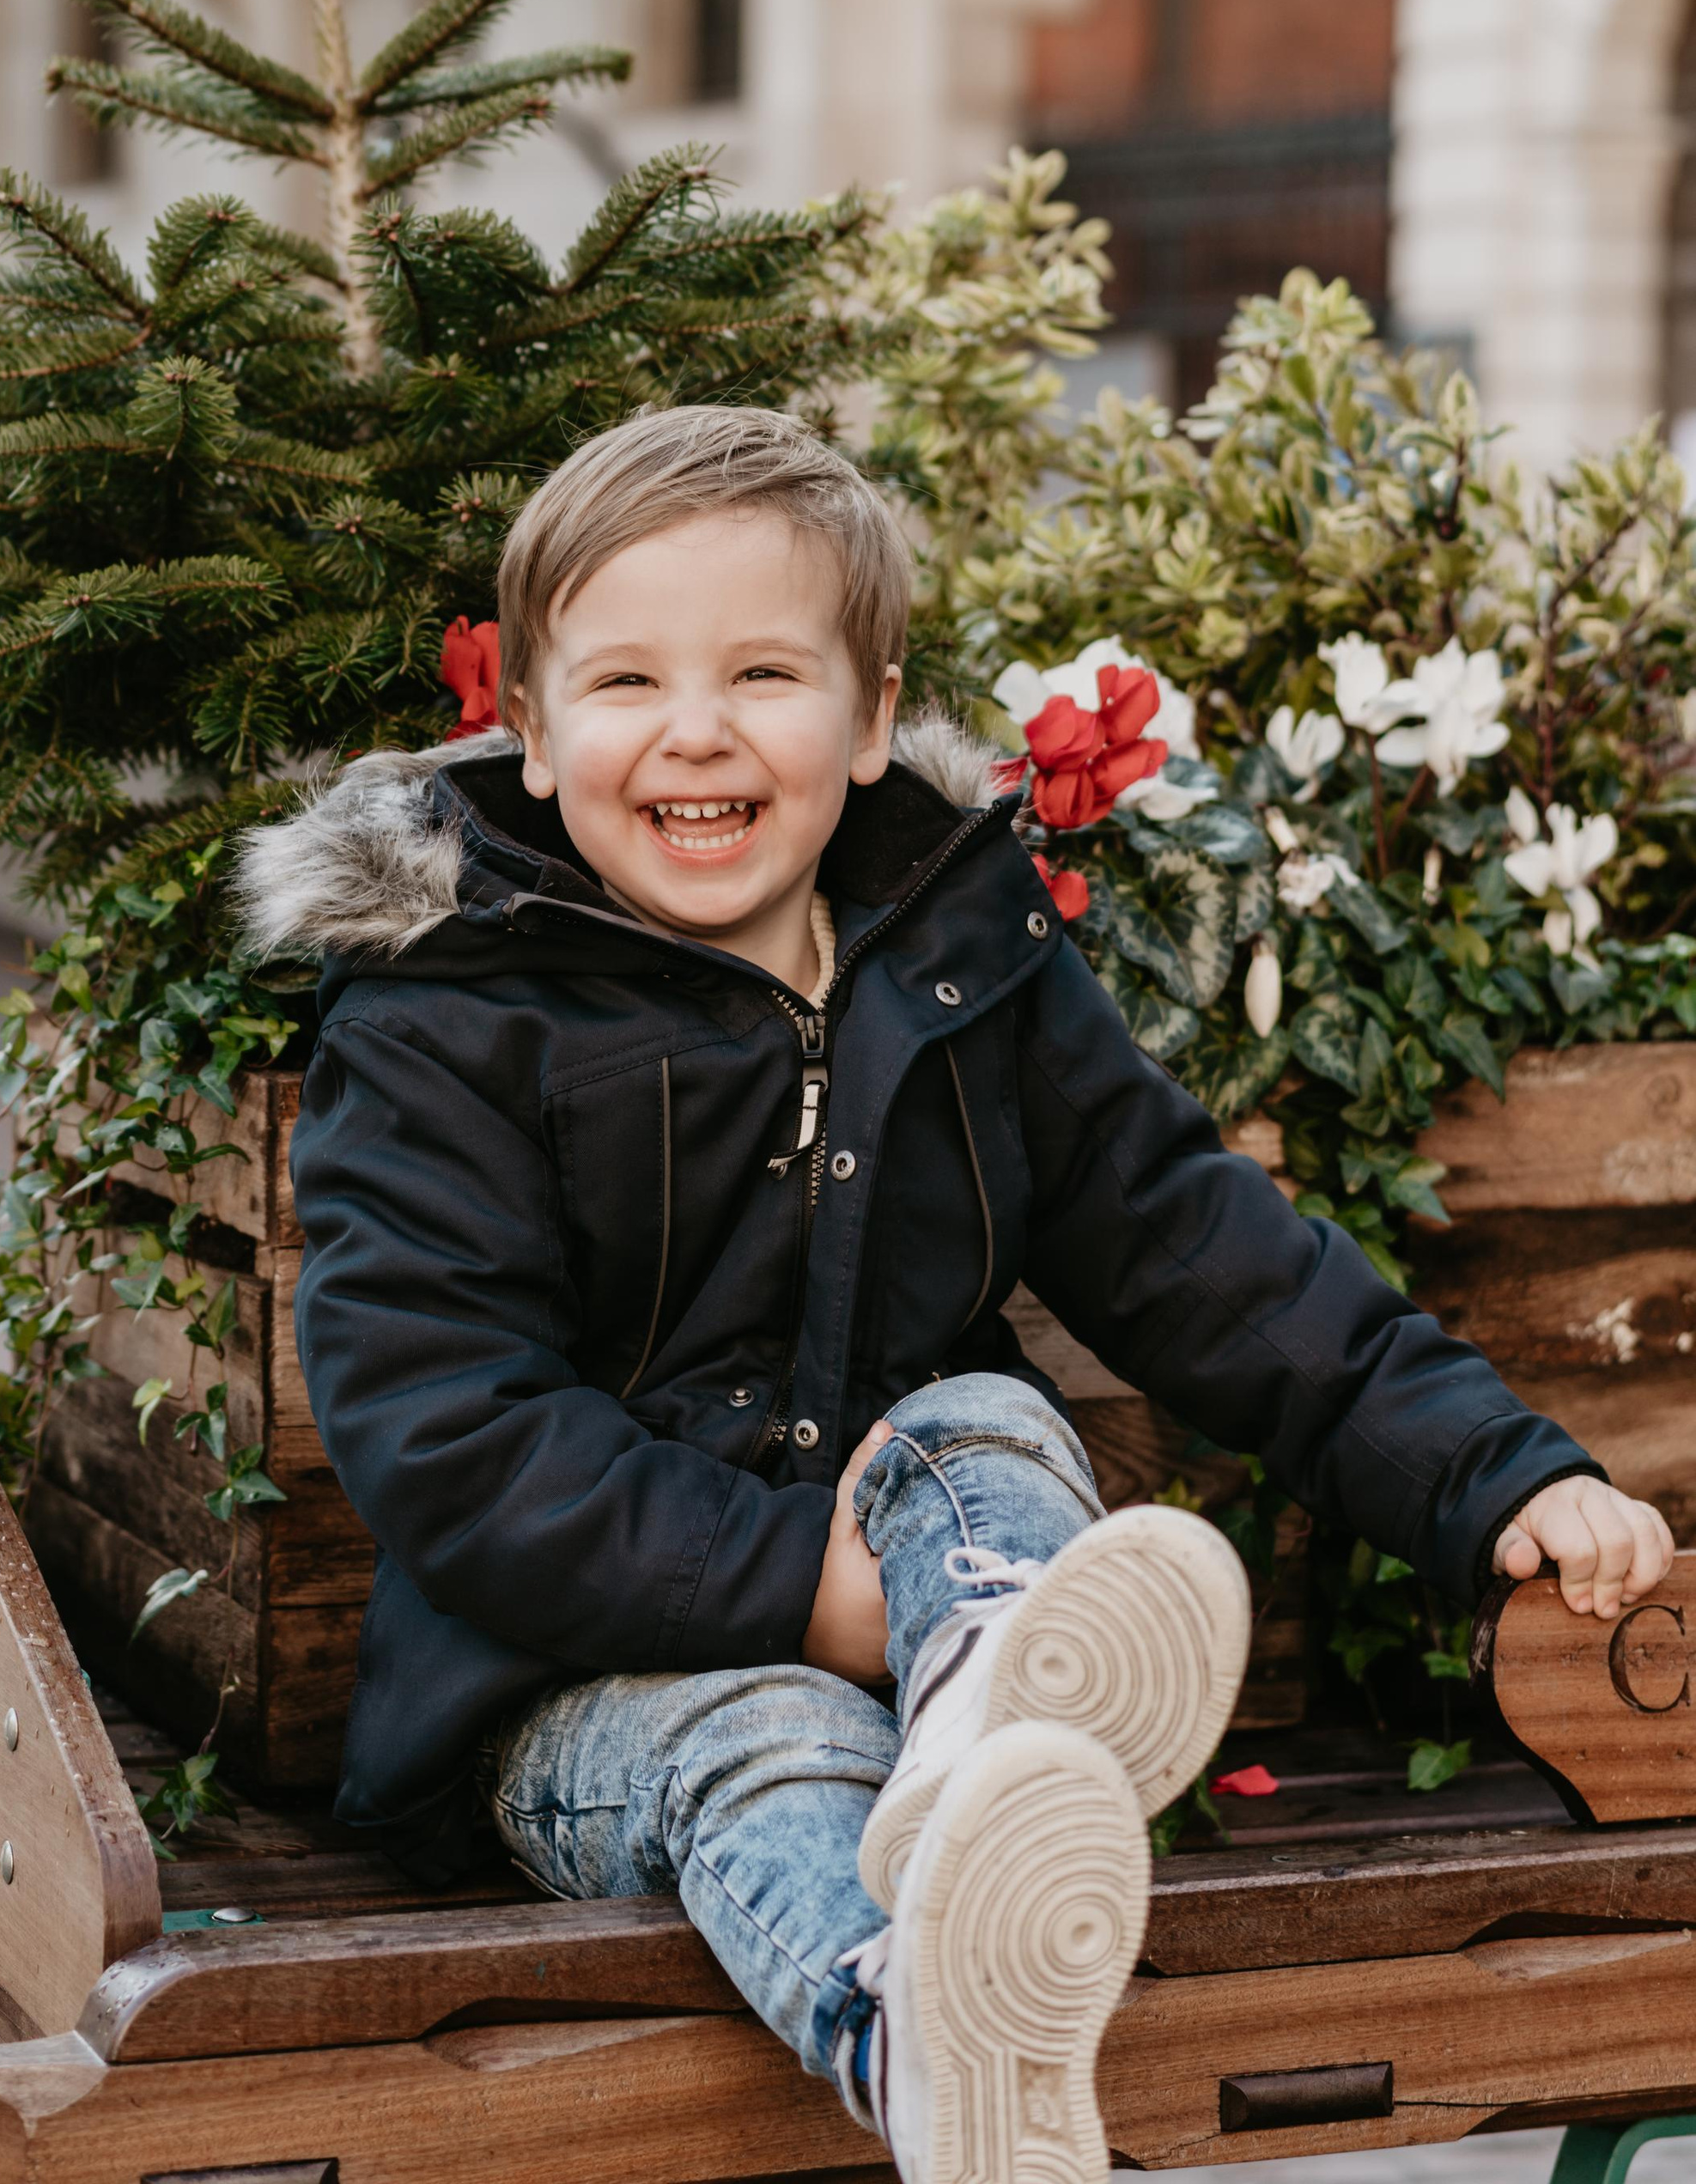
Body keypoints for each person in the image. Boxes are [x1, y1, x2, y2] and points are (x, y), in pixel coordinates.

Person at [240, 406, 1674, 2184]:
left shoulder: (960, 952)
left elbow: (1196, 1247)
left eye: (763, 670)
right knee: (766, 1744)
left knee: (982, 1419)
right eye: (624, 682)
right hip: (572, 1689)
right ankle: (923, 2034)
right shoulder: (443, 1023)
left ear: (863, 712)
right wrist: (809, 1598)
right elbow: (452, 1438)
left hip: (927, 1605)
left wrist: (1493, 1476)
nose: (695, 728)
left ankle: (996, 1689)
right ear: (528, 731)